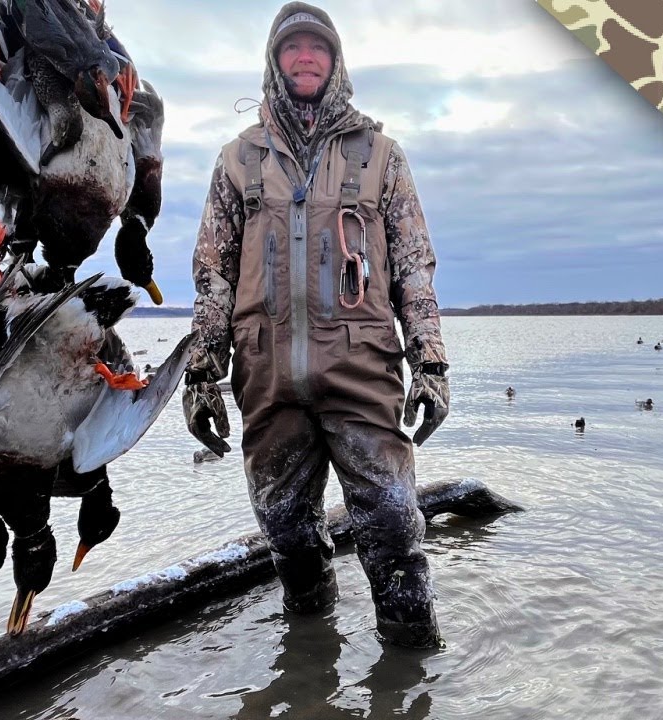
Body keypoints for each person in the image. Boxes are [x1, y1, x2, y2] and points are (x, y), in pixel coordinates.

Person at [182, 2, 449, 649]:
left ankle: (410, 674)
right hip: (266, 380)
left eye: (317, 48)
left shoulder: (380, 156)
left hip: (360, 371)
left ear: (335, 63)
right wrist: (199, 374)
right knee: (288, 536)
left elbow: (413, 268)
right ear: (275, 62)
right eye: (293, 48)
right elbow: (213, 273)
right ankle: (309, 670)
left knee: (391, 528)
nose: (305, 57)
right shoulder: (238, 159)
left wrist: (431, 364)